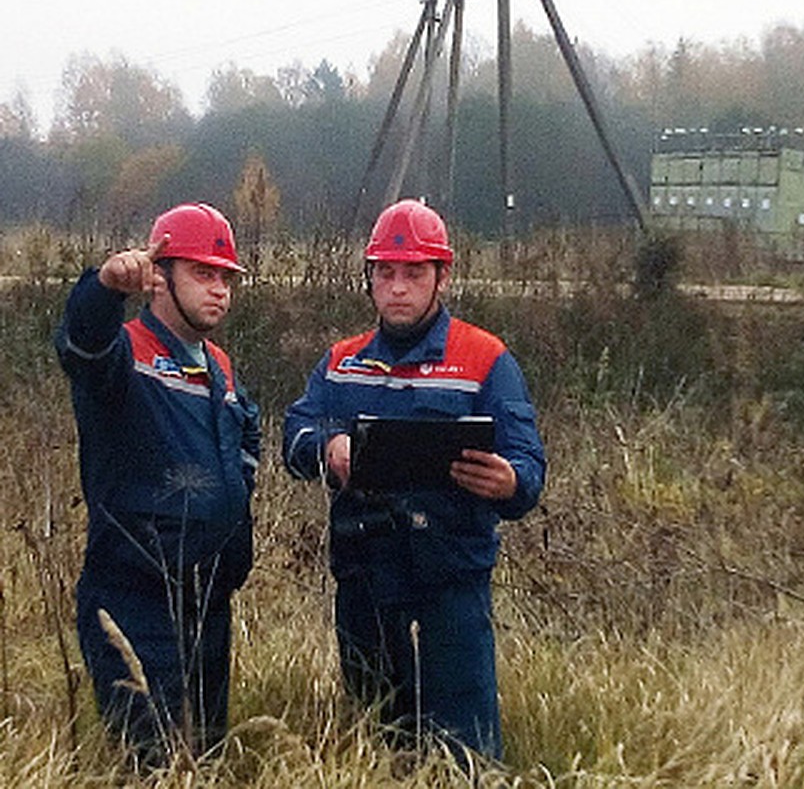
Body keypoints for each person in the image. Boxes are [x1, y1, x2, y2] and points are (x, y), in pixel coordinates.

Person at [283, 199, 545, 762]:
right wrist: (328, 449)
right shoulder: (341, 362)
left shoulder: (485, 359)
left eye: (413, 273)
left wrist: (508, 482)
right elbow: (294, 436)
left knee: (463, 749)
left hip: (451, 575)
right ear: (370, 279)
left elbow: (529, 468)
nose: (397, 288)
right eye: (386, 273)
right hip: (365, 573)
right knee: (381, 741)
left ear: (442, 277)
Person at [55, 203, 259, 764]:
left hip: (209, 600)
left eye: (225, 278)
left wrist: (239, 495)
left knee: (204, 759)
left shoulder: (218, 365)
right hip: (135, 600)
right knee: (153, 765)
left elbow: (246, 439)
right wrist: (103, 289)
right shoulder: (122, 355)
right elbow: (81, 341)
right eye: (202, 273)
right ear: (157, 277)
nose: (218, 289)